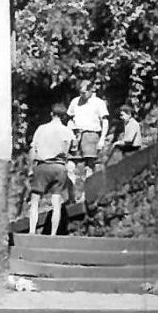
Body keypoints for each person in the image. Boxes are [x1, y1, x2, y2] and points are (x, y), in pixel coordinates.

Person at [26, 100, 73, 235]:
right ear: (64, 116)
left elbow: (33, 149)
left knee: (35, 200)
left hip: (43, 166)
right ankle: (53, 234)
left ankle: (32, 230)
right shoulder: (67, 131)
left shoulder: (41, 129)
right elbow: (70, 148)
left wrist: (31, 168)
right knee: (56, 202)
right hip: (59, 167)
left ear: (51, 114)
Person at [67, 79, 109, 190]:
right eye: (80, 92)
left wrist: (102, 139)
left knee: (90, 165)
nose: (82, 95)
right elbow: (70, 119)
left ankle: (88, 193)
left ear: (91, 90)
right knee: (70, 164)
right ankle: (72, 193)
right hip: (76, 135)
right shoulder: (75, 101)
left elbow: (105, 121)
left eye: (84, 92)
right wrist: (69, 133)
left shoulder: (98, 102)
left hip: (91, 135)